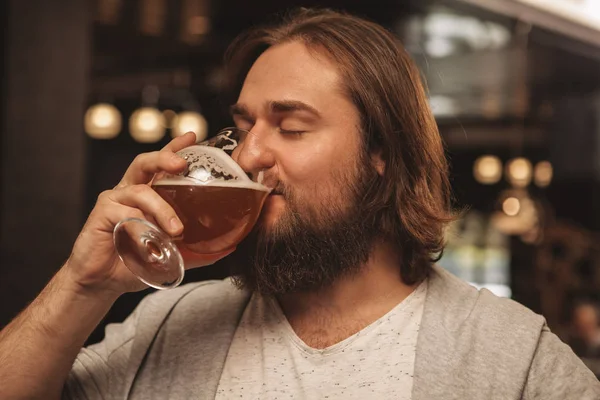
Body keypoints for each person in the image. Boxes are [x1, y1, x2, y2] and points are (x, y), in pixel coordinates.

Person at [0, 8, 598, 400]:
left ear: (381, 151)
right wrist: (83, 288)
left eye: (290, 127)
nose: (250, 154)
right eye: (243, 126)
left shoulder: (511, 359)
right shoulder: (169, 324)